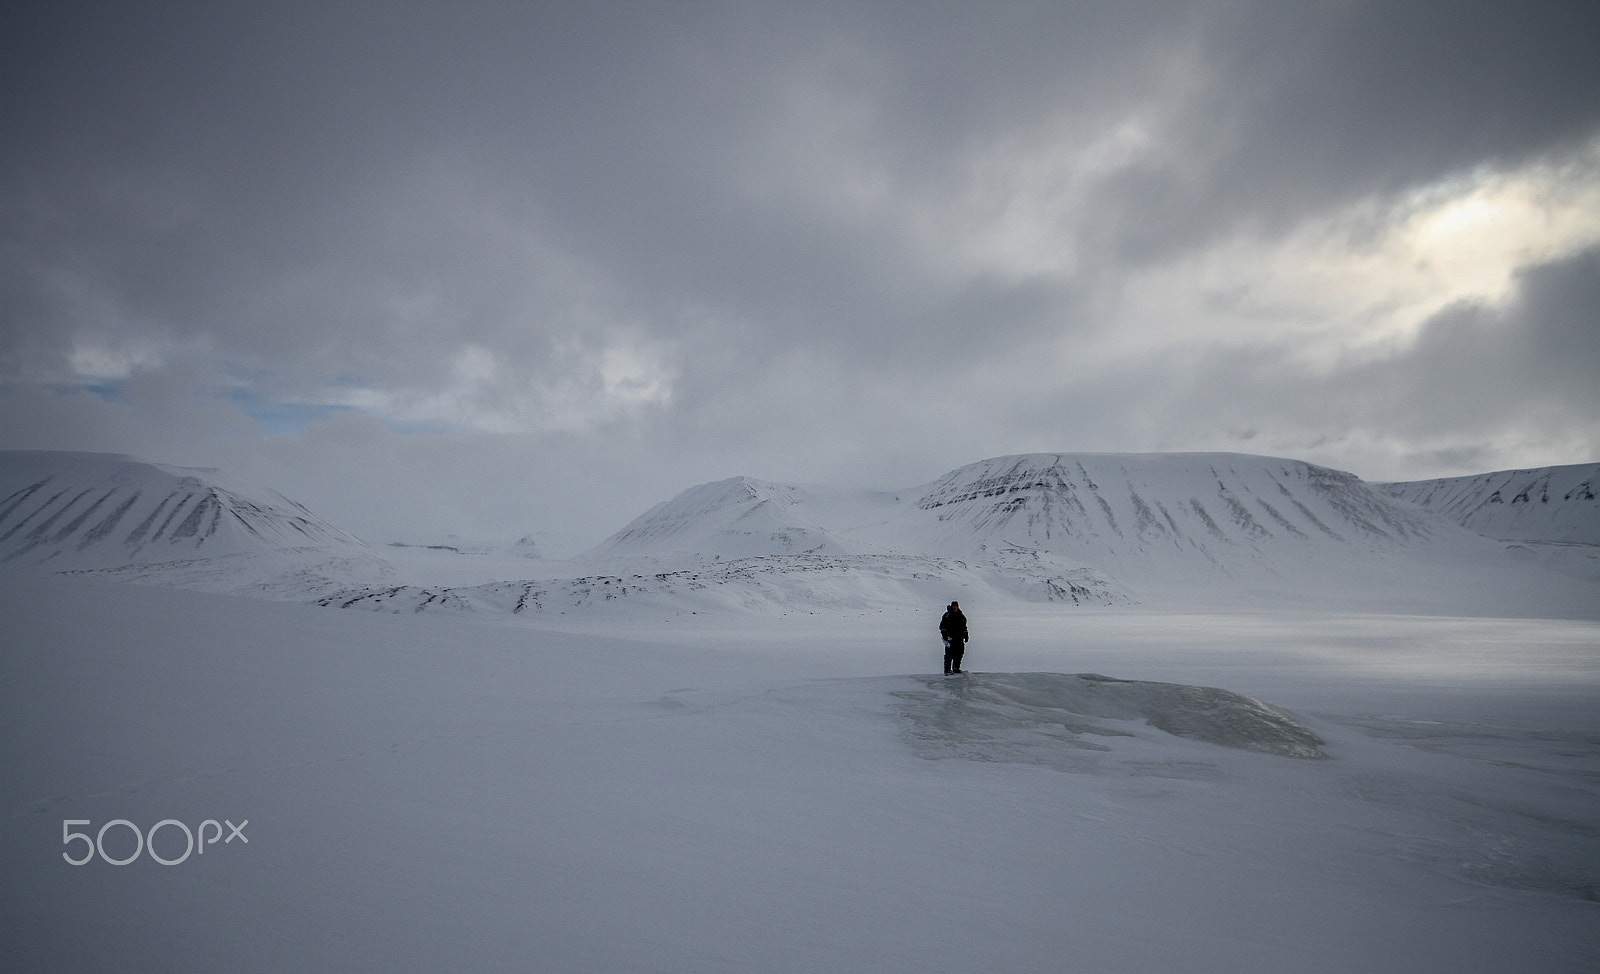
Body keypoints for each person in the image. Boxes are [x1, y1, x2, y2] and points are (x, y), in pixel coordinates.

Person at [939, 600, 969, 674]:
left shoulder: (961, 616)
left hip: (959, 638)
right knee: (949, 654)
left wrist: (966, 635)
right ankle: (947, 670)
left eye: (956, 606)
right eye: (953, 606)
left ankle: (956, 668)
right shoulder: (947, 615)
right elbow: (942, 626)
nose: (955, 607)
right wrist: (944, 635)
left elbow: (964, 626)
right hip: (950, 638)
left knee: (959, 653)